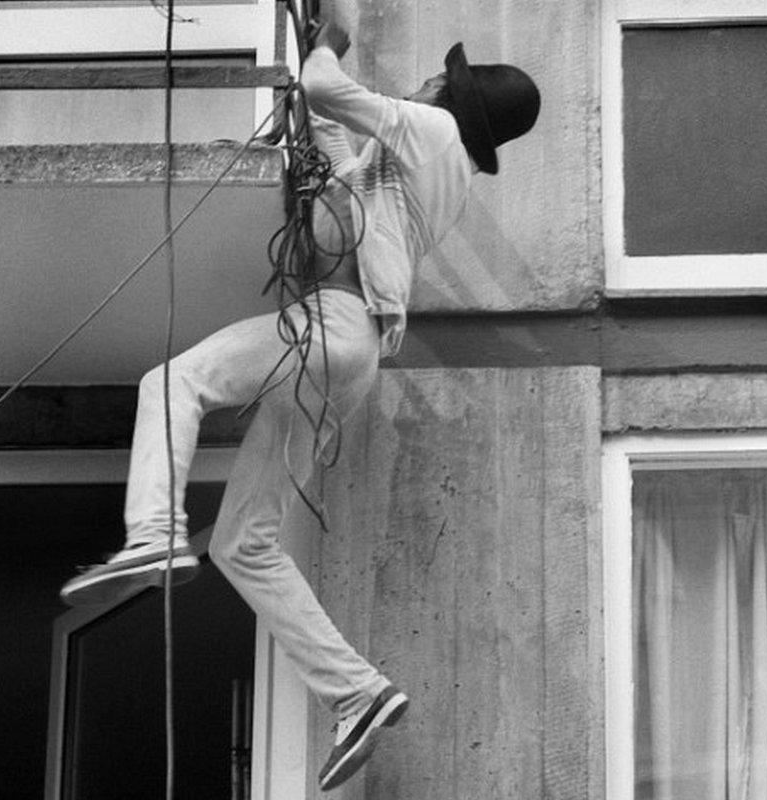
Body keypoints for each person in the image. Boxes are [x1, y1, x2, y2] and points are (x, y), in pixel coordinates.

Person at [60, 18, 540, 791]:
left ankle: (151, 533)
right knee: (245, 544)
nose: (419, 83)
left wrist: (331, 48)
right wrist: (317, 67)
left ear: (452, 94)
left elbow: (324, 89)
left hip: (333, 323)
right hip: (350, 357)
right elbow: (335, 140)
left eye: (435, 78)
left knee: (173, 383)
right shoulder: (411, 168)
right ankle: (356, 692)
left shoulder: (433, 130)